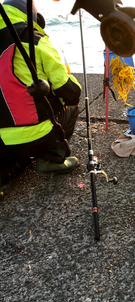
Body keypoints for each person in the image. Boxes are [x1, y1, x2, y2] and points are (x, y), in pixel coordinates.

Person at [0, 0, 81, 184]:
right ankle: (50, 158)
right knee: (71, 106)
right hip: (39, 137)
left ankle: (8, 168)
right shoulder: (34, 39)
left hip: (3, 143)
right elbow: (71, 93)